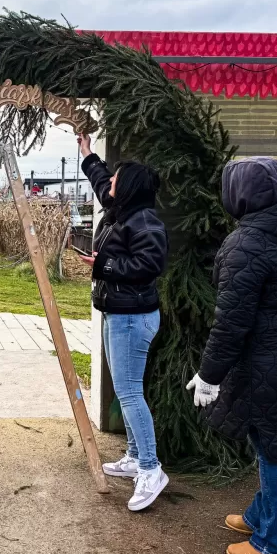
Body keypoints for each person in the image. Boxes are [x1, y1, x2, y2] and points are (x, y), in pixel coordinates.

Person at [188, 156, 277, 554]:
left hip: (270, 357)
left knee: (273, 447)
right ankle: (260, 515)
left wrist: (209, 376)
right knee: (273, 437)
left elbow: (231, 323)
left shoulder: (247, 243)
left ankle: (276, 543)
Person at [78, 133, 169, 512]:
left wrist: (105, 265)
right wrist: (87, 155)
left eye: (116, 180)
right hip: (119, 315)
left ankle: (151, 469)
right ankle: (134, 456)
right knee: (125, 390)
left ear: (128, 188)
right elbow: (102, 183)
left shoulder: (145, 222)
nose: (109, 183)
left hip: (133, 319)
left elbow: (150, 265)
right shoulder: (123, 212)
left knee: (131, 394)